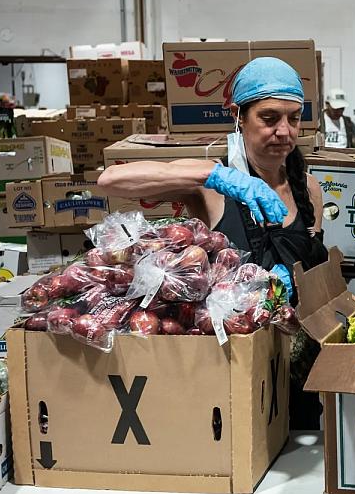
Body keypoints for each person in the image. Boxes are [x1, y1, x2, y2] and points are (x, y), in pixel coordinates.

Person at [98, 56, 328, 428]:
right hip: (233, 368)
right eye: (269, 118)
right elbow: (111, 181)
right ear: (239, 117)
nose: (284, 131)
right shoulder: (212, 188)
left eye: (294, 118)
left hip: (298, 368)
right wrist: (217, 176)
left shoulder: (309, 188)